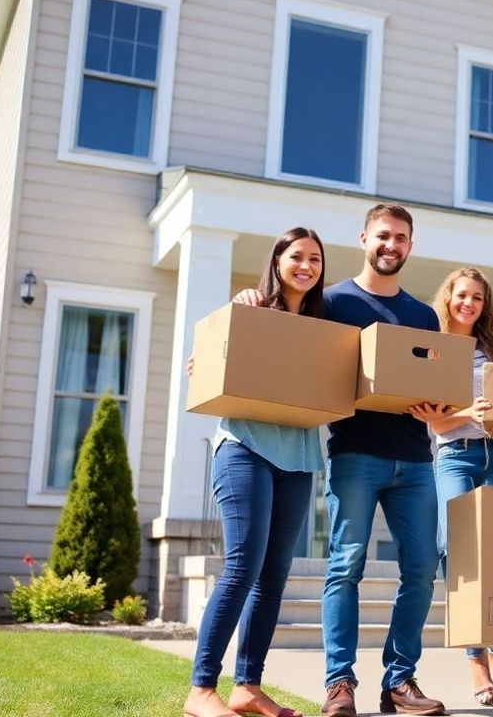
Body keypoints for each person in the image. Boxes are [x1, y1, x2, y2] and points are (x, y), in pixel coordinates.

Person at [183, 227, 326, 717]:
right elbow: (204, 362)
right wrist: (208, 350)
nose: (306, 266)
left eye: (315, 259)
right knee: (242, 568)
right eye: (297, 256)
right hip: (245, 448)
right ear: (278, 260)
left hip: (300, 458)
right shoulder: (251, 307)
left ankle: (247, 686)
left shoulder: (322, 327)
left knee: (273, 577)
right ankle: (201, 690)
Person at [318, 204, 448, 717]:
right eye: (382, 236)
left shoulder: (423, 315)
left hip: (415, 459)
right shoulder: (333, 302)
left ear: (410, 246)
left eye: (400, 238)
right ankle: (339, 684)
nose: (390, 245)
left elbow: (435, 382)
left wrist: (436, 408)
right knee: (345, 565)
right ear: (364, 239)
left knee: (420, 569)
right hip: (355, 453)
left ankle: (399, 682)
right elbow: (293, 348)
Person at [408, 267, 493, 707]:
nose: (469, 304)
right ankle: (475, 658)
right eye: (462, 296)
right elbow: (431, 420)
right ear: (448, 298)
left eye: (477, 298)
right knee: (456, 554)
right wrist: (471, 412)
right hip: (454, 456)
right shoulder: (435, 349)